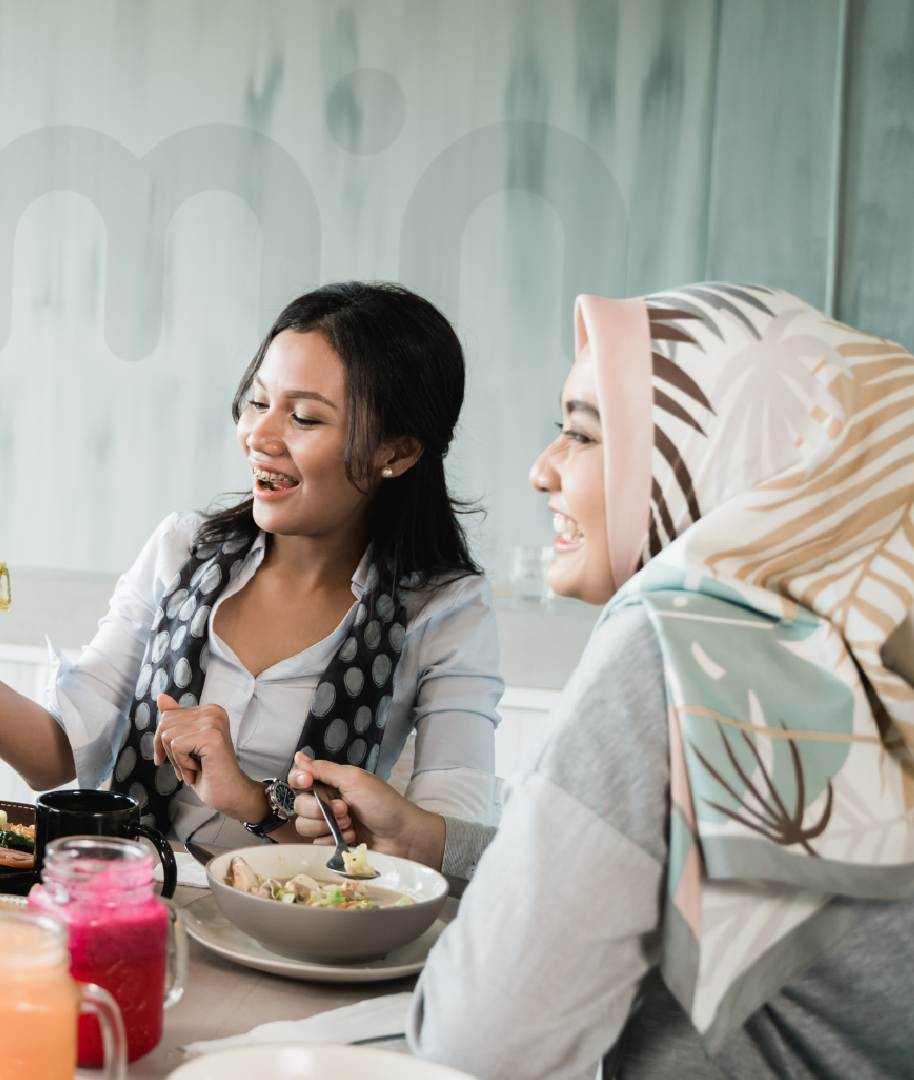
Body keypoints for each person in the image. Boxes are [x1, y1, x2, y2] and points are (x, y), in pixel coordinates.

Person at [291, 283, 914, 1078]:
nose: (542, 470)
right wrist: (432, 841)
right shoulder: (856, 660)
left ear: (709, 454)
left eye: (583, 434)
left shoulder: (681, 649)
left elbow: (479, 1045)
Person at [0, 281, 503, 845]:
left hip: (305, 935)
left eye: (304, 418)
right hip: (136, 901)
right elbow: (55, 755)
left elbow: (449, 837)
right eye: (259, 401)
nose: (260, 437)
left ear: (398, 451)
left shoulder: (443, 610)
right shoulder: (182, 550)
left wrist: (250, 797)